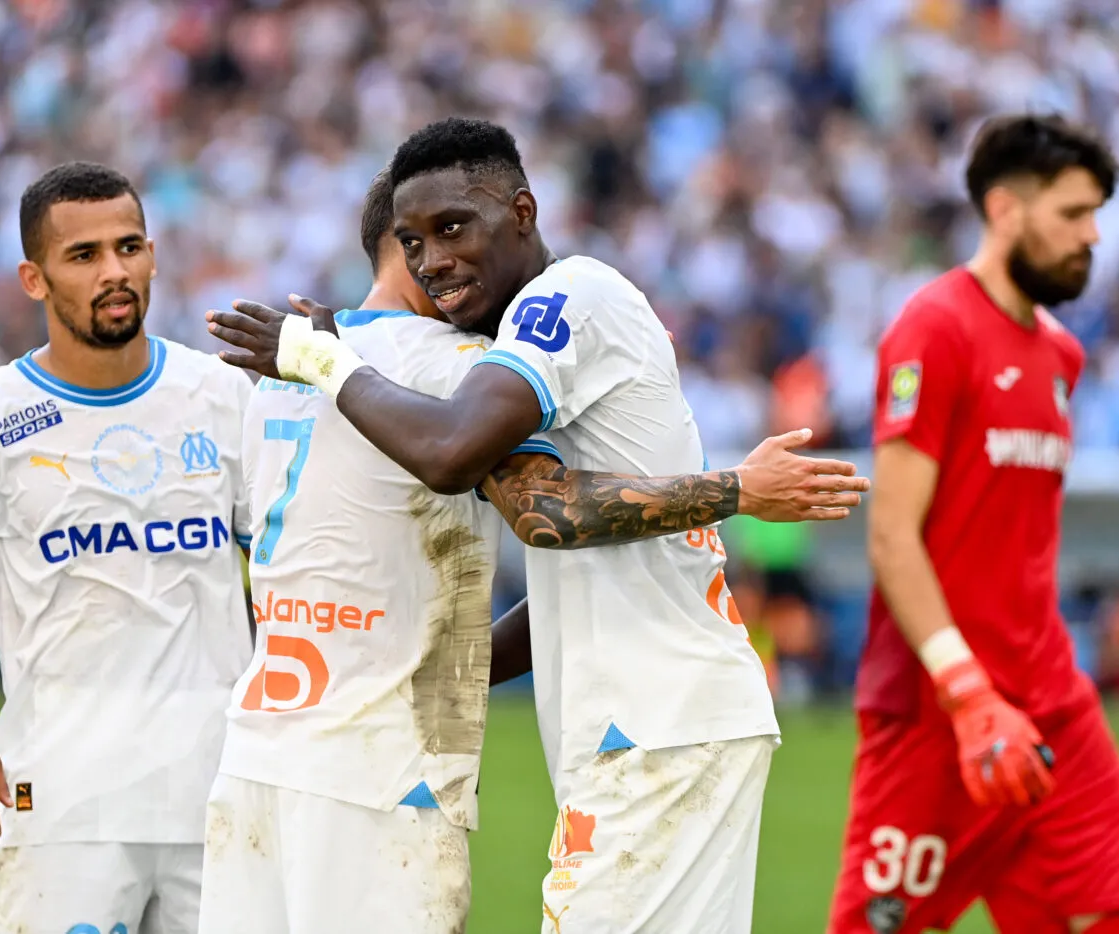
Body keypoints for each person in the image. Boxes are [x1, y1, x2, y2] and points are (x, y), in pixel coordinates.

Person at [221, 118, 871, 933]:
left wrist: (328, 359)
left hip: (660, 722)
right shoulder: (524, 337)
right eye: (415, 243)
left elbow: (507, 489)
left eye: (453, 228)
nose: (434, 261)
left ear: (522, 212)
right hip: (647, 724)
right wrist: (410, 673)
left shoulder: (571, 297)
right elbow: (568, 570)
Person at [0, 161, 255, 934]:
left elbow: (285, 574)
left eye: (129, 247)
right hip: (64, 804)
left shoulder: (225, 400)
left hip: (221, 798)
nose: (114, 272)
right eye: (83, 256)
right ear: (34, 278)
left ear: (153, 254)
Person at [826, 114, 1119, 934]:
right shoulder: (933, 330)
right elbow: (892, 536)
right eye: (1073, 215)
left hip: (1051, 707)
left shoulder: (1061, 355)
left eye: (1096, 216)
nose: (1094, 236)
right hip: (938, 714)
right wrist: (969, 695)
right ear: (1006, 210)